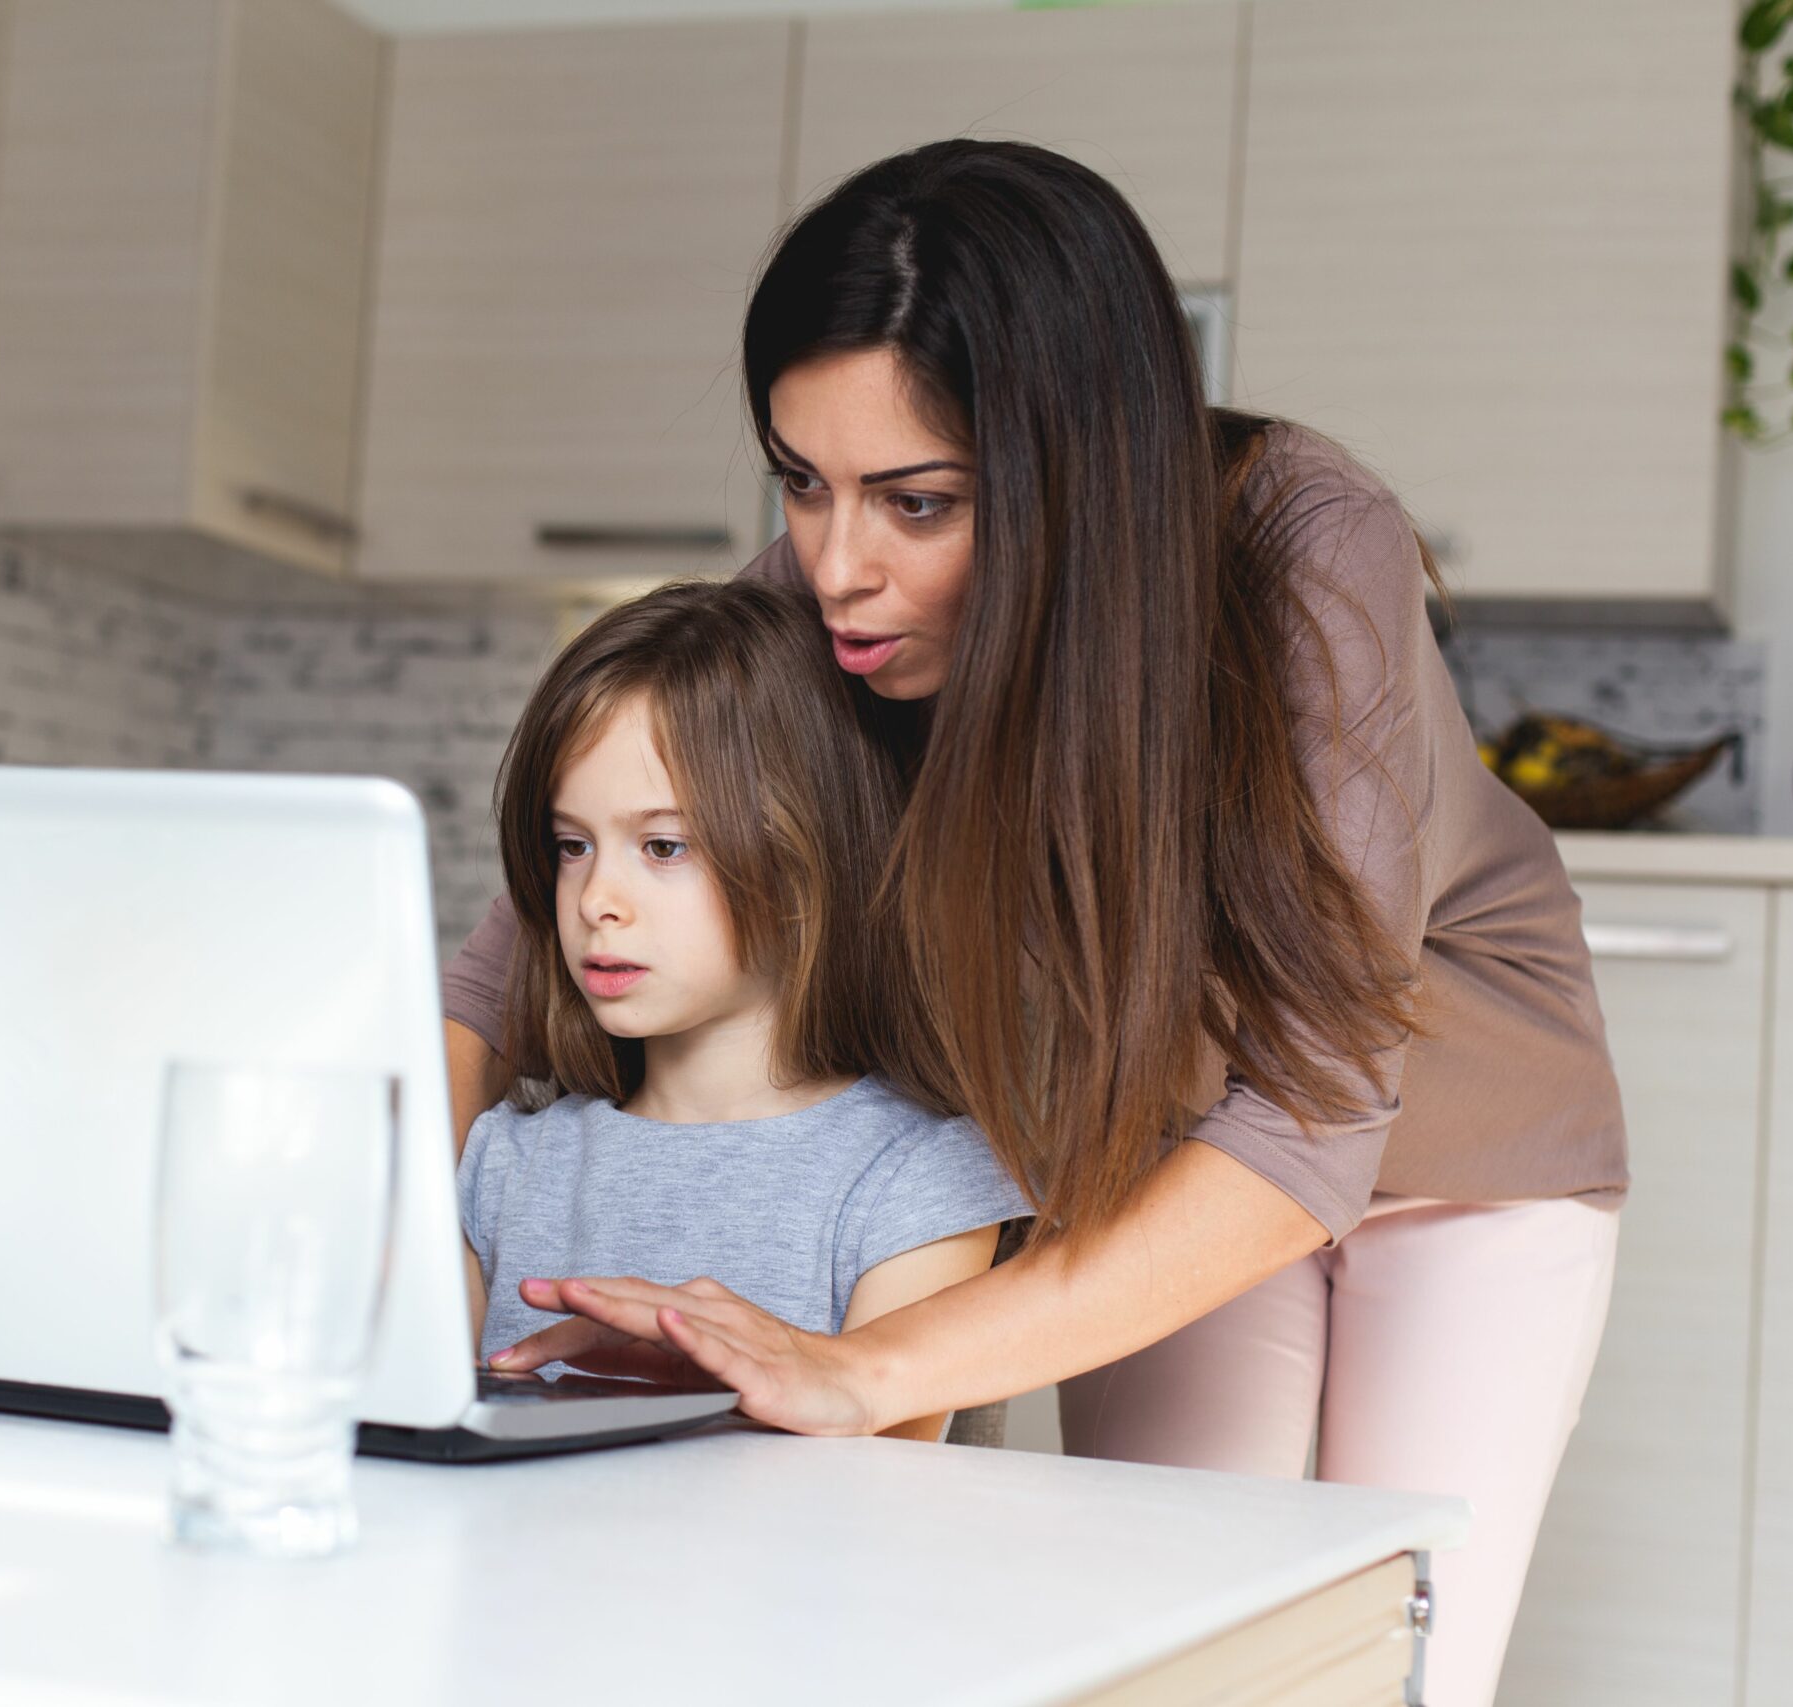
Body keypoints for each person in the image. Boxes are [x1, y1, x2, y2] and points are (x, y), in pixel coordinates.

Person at [438, 142, 1626, 1707]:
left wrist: (858, 1369)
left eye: (918, 500)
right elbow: (503, 965)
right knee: (1174, 1652)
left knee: (1391, 1661)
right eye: (801, 480)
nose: (837, 567)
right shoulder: (828, 584)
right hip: (1162, 1143)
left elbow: (1314, 1112)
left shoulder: (1301, 548)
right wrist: (393, 1248)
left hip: (1460, 1155)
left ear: (1073, 470)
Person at [458, 578, 1027, 1444]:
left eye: (663, 845)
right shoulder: (500, 1163)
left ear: (805, 856)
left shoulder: (919, 1179)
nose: (597, 899)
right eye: (573, 845)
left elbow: (882, 1503)